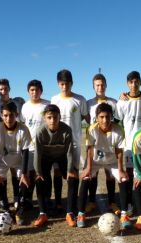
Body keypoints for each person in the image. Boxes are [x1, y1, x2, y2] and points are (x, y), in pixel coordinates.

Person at [77, 103, 129, 228]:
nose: (105, 120)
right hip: (95, 161)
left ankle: (124, 214)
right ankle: (80, 214)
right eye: (101, 117)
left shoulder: (118, 130)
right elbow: (89, 149)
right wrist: (88, 168)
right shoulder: (91, 129)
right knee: (85, 178)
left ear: (111, 116)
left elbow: (119, 151)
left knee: (124, 179)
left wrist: (121, 170)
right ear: (96, 118)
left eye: (107, 116)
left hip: (111, 161)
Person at [115, 71, 141, 218]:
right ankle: (131, 203)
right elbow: (116, 120)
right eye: (131, 82)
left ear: (140, 82)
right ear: (127, 84)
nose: (134, 84)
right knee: (131, 174)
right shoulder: (122, 101)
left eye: (136, 81)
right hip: (129, 145)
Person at [50, 69, 88, 213]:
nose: (64, 87)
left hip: (74, 143)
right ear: (58, 84)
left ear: (71, 83)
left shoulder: (80, 99)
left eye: (67, 83)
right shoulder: (54, 100)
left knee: (73, 172)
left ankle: (73, 203)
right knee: (58, 172)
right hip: (57, 143)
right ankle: (58, 202)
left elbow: (86, 117)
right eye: (62, 84)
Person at [33, 104, 77, 227]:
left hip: (62, 157)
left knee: (73, 177)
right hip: (46, 158)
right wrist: (38, 172)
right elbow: (38, 153)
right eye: (49, 117)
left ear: (59, 117)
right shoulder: (40, 131)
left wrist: (69, 170)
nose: (53, 120)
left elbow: (69, 152)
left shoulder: (66, 130)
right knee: (39, 180)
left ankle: (70, 212)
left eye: (55, 117)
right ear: (44, 119)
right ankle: (42, 213)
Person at [0, 101, 31, 225]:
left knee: (25, 178)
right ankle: (5, 207)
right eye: (5, 115)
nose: (8, 118)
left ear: (16, 115)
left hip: (18, 159)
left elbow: (25, 151)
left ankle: (19, 211)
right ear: (1, 116)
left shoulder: (23, 129)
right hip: (2, 161)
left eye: (11, 115)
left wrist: (24, 173)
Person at [0, 78, 25, 209]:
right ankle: (2, 200)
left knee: (15, 170)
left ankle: (16, 197)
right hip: (0, 138)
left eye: (5, 88)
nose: (3, 91)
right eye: (0, 89)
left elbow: (22, 118)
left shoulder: (17, 103)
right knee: (0, 173)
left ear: (9, 88)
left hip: (14, 137)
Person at [85, 74, 119, 214]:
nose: (100, 87)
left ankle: (112, 202)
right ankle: (92, 202)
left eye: (102, 84)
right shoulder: (88, 103)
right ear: (93, 86)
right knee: (93, 172)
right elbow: (87, 120)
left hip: (109, 141)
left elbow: (116, 121)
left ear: (106, 85)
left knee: (109, 173)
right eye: (97, 85)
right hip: (95, 141)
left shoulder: (114, 102)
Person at [19, 80, 50, 209]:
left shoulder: (47, 105)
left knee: (44, 174)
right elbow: (22, 124)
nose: (34, 92)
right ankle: (28, 199)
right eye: (32, 90)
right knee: (29, 173)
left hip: (45, 147)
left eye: (37, 90)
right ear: (28, 92)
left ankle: (46, 199)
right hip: (30, 147)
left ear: (41, 91)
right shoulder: (25, 107)